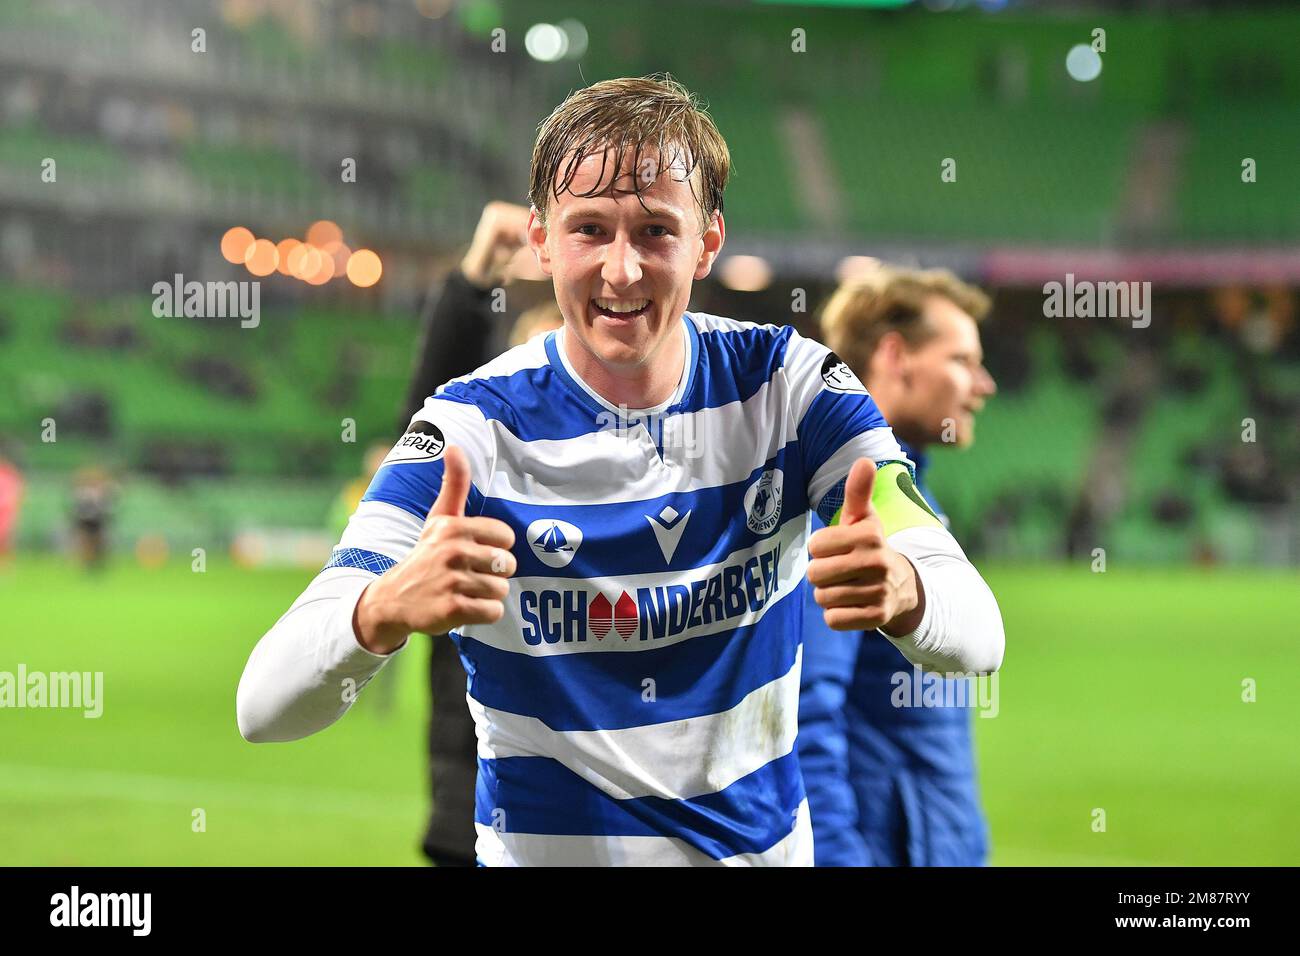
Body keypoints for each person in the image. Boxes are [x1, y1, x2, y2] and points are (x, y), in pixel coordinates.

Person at [237, 74, 1003, 866]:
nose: (622, 269)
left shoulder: (794, 389)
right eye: (590, 229)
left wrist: (909, 592)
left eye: (655, 232)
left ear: (708, 241)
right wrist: (382, 608)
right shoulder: (467, 427)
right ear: (541, 239)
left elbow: (978, 632)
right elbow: (263, 706)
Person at [798, 265, 999, 866]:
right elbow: (806, 714)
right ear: (895, 355)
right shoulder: (844, 501)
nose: (983, 384)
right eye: (962, 360)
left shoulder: (910, 497)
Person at [400, 201, 561, 867]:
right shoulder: (473, 492)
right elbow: (427, 418)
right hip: (476, 801)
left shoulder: (627, 496)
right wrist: (476, 277)